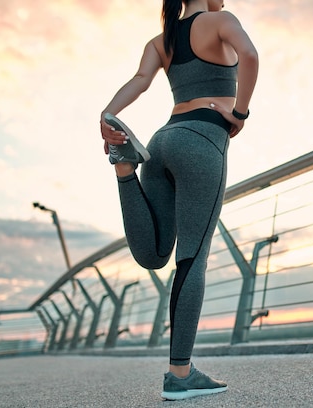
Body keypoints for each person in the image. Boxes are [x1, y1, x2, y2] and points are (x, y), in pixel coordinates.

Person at [99, 0, 258, 401]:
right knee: (192, 257)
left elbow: (140, 79)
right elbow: (251, 55)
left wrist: (108, 113)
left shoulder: (161, 39)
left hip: (162, 139)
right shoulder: (220, 20)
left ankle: (124, 170)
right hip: (202, 140)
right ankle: (180, 374)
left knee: (154, 254)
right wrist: (240, 113)